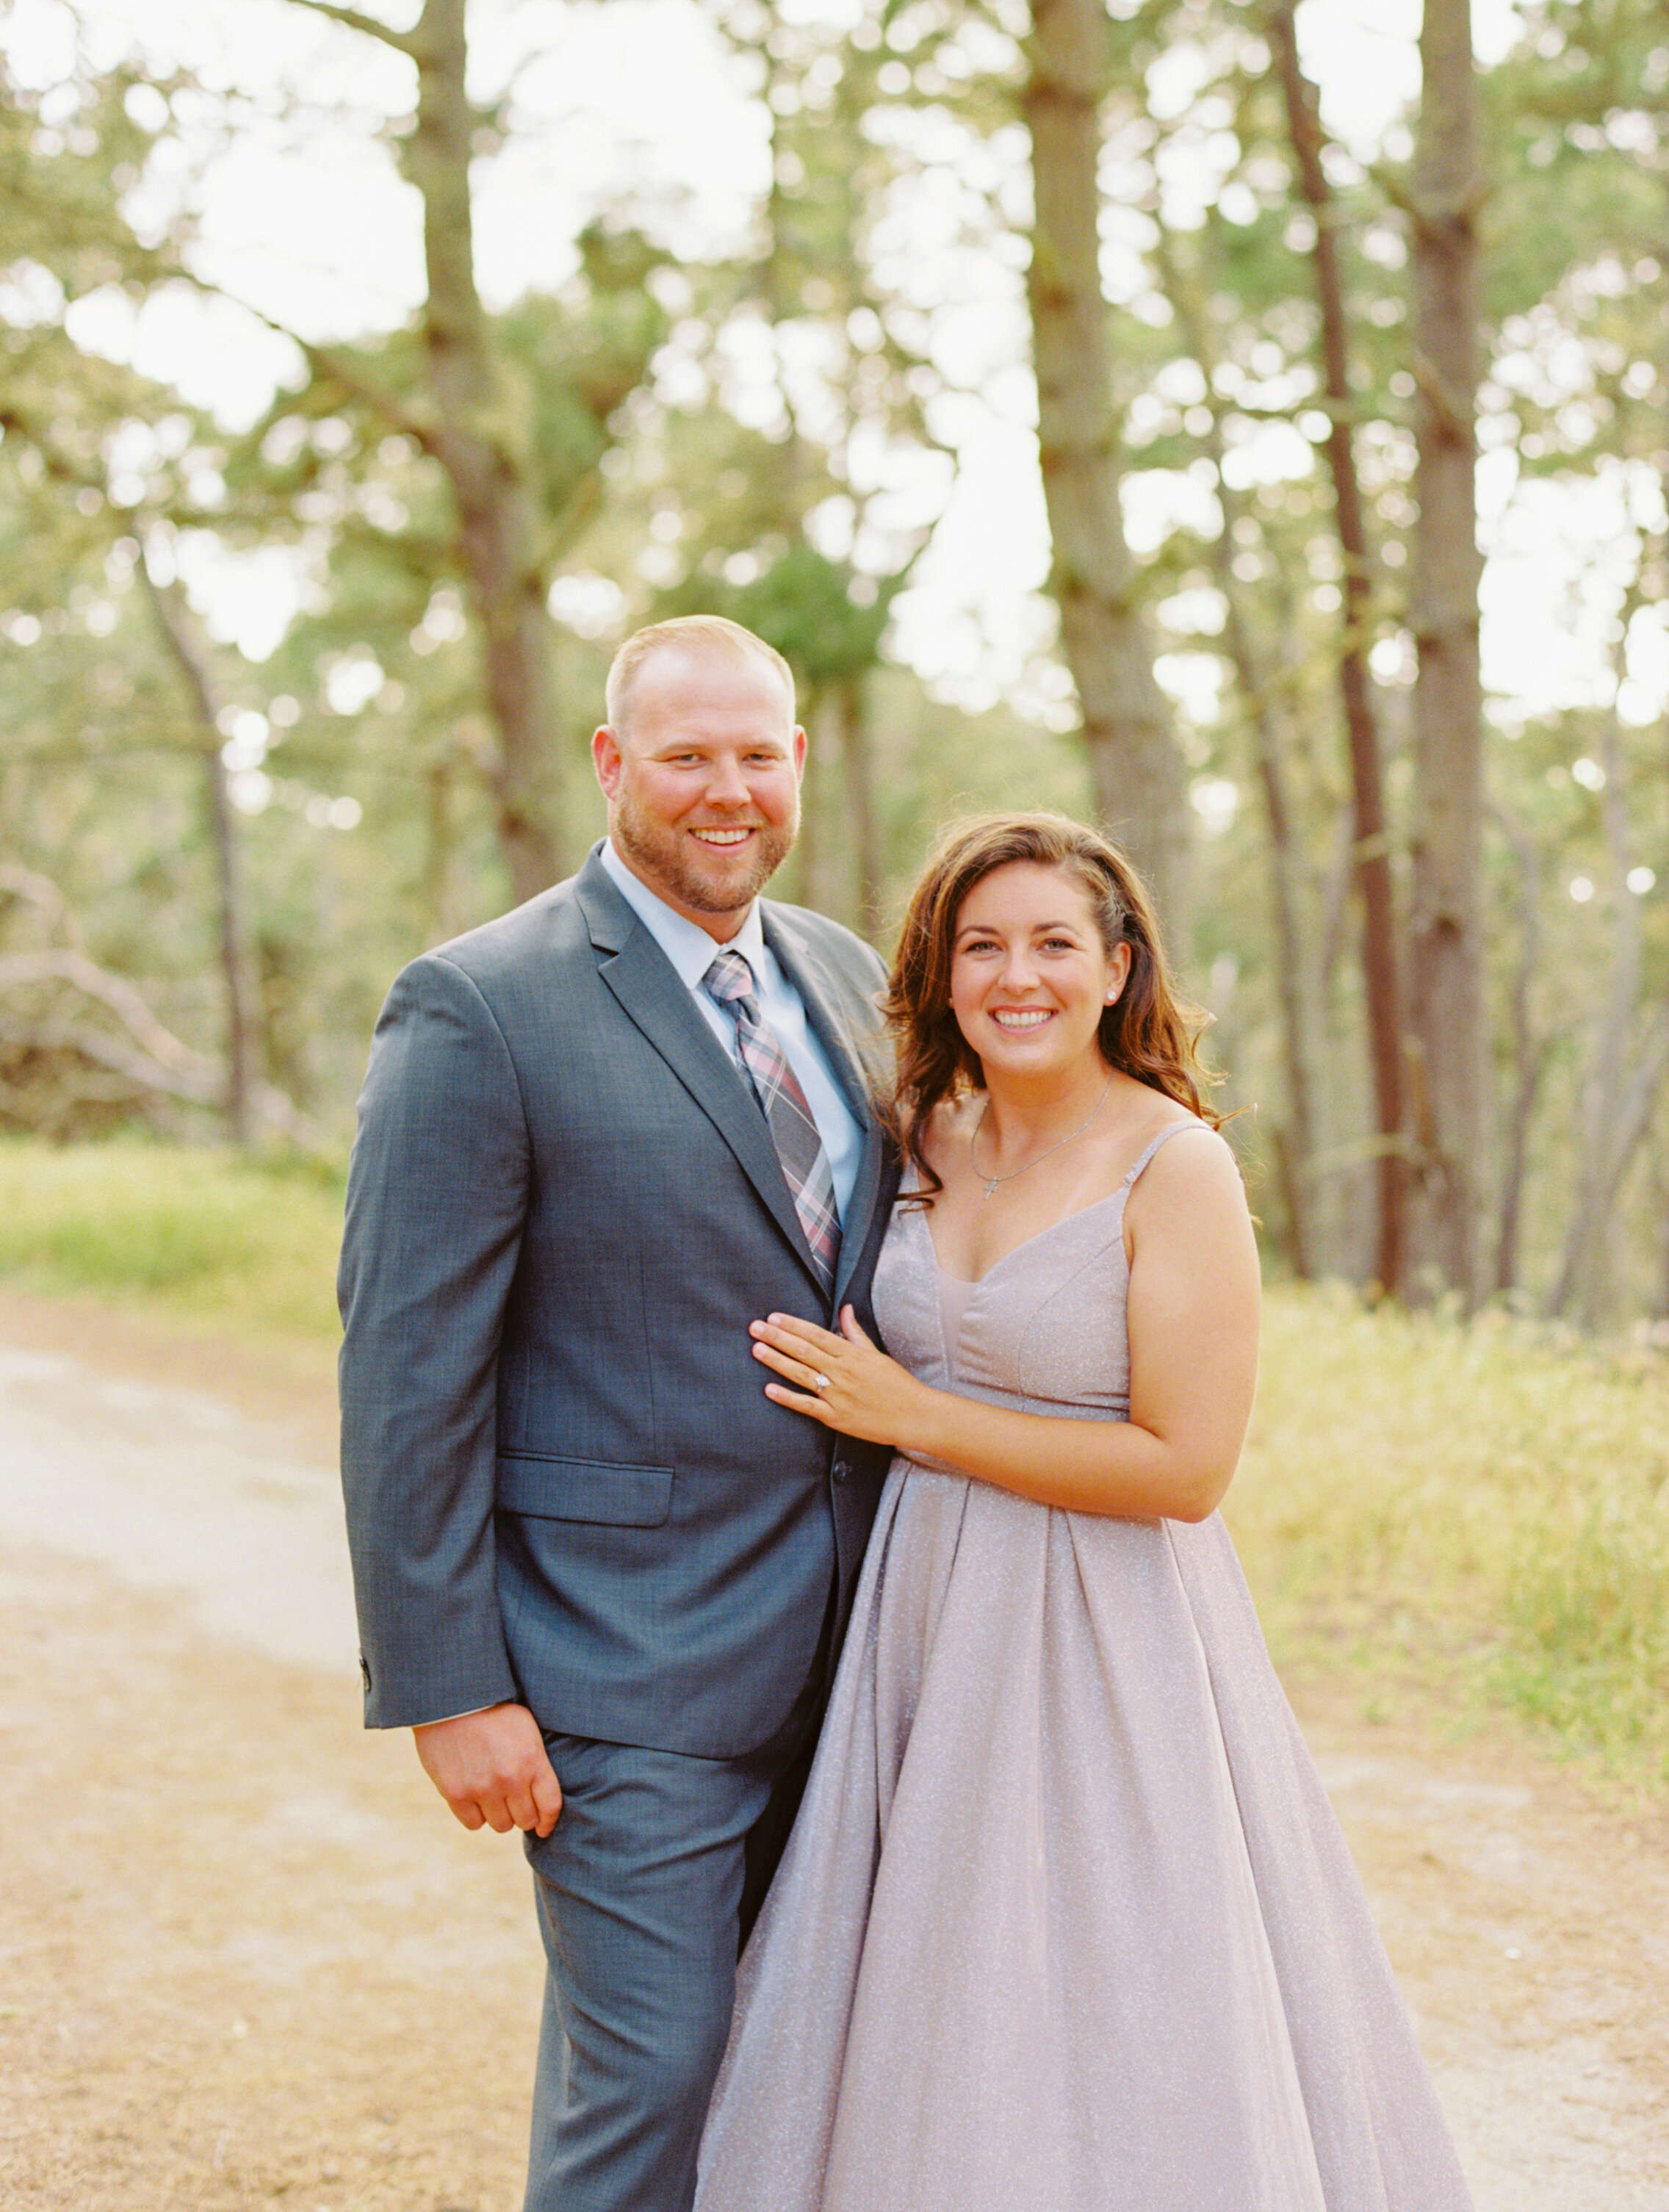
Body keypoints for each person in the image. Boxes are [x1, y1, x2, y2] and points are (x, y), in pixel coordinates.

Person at [695, 810, 1474, 2212]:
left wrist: (915, 1418)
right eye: (982, 946)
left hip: (1110, 1632)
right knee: (934, 1976)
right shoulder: (917, 1138)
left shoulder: (1174, 1164)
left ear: (1119, 969)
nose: (1019, 976)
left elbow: (1186, 1468)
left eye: (1055, 944)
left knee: (1118, 1979)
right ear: (940, 976)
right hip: (923, 1617)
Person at [337, 616, 896, 2212]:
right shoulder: (478, 1007)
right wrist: (449, 1686)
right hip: (618, 1664)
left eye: (756, 754)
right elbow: (404, 1373)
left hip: (862, 1647)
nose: (726, 791)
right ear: (611, 764)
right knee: (649, 2082)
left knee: (806, 2076)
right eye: (685, 756)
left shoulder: (847, 978)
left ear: (798, 762)